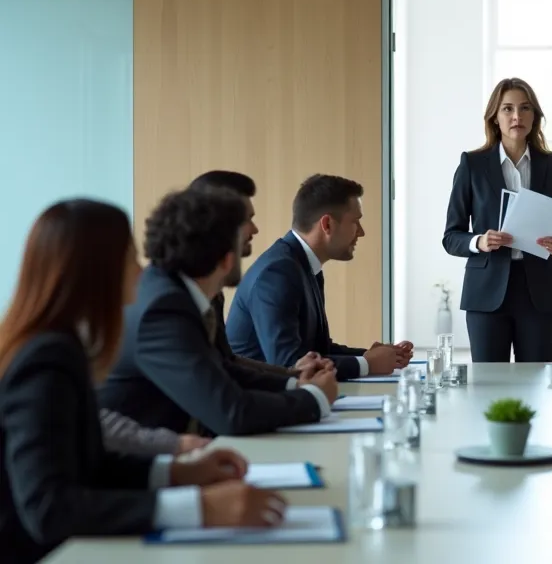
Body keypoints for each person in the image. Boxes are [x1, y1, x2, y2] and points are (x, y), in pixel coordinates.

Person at [0, 199, 288, 564]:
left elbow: (87, 464)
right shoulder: (44, 362)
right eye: (129, 259)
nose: (140, 272)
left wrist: (177, 471)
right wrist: (199, 508)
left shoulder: (58, 347)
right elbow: (49, 508)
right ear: (96, 272)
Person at [98, 187, 338, 436]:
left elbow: (220, 369)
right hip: (149, 465)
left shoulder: (170, 291)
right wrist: (314, 398)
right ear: (227, 259)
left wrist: (295, 383)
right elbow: (232, 413)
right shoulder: (162, 311)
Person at [442, 77, 552, 362]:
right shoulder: (472, 164)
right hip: (486, 292)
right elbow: (451, 236)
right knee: (489, 384)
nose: (517, 116)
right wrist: (479, 241)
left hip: (539, 292)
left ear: (535, 116)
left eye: (525, 108)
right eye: (507, 109)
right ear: (495, 118)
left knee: (537, 381)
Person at [227, 174, 412, 379]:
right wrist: (366, 364)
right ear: (327, 225)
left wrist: (374, 356)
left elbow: (317, 350)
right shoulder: (277, 273)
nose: (361, 232)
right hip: (262, 402)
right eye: (356, 222)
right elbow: (289, 364)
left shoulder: (303, 264)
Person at [189, 170, 333, 378]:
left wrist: (293, 380)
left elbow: (227, 362)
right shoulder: (170, 302)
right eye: (247, 219)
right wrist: (306, 395)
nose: (255, 229)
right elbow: (216, 394)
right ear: (216, 223)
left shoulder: (212, 292)